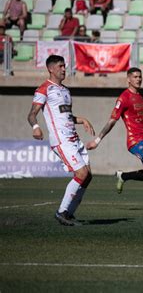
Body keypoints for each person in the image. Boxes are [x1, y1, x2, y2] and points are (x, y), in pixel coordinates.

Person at [86, 67, 143, 213]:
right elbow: (111, 121)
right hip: (136, 142)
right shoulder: (123, 98)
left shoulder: (141, 97)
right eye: (135, 77)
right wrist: (97, 141)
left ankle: (123, 176)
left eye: (140, 76)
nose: (138, 79)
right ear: (128, 79)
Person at [27, 55, 95, 226]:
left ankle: (69, 214)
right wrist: (36, 127)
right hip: (61, 140)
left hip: (74, 139)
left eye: (65, 66)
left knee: (87, 176)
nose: (64, 69)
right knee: (81, 174)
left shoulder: (65, 90)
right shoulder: (44, 89)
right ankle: (61, 212)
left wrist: (82, 120)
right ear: (51, 68)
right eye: (60, 66)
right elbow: (32, 114)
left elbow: (66, 116)